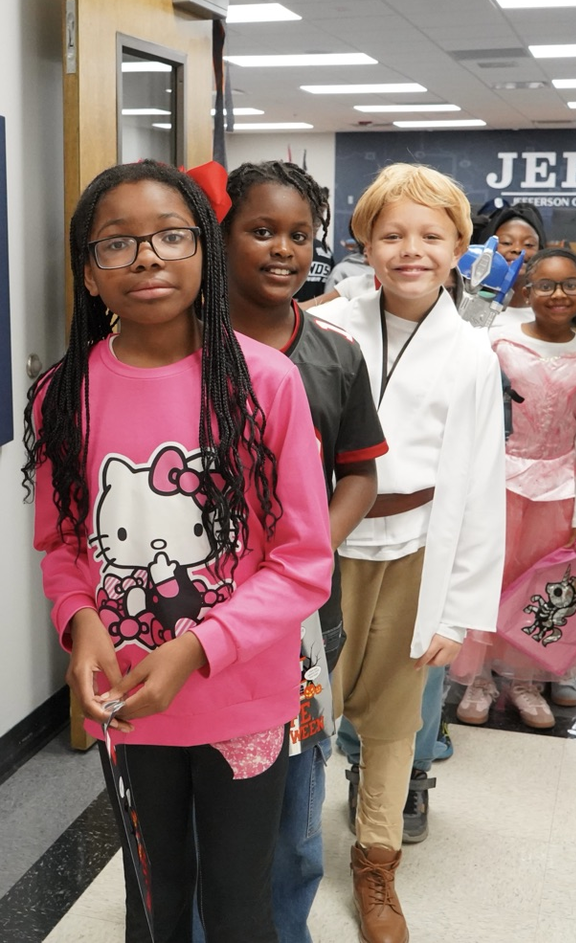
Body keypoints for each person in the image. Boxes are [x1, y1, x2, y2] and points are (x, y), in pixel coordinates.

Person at [22, 159, 334, 943]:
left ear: (205, 253)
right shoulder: (63, 393)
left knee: (237, 907)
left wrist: (198, 649)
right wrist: (79, 625)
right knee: (155, 901)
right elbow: (61, 543)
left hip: (240, 696)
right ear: (88, 273)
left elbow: (304, 561)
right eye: (117, 244)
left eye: (170, 236)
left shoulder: (265, 381)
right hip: (126, 699)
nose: (147, 258)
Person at [310, 162, 506, 943]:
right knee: (303, 712)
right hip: (321, 548)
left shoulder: (473, 353)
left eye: (431, 235)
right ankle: (281, 849)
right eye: (391, 234)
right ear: (365, 244)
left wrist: (458, 610)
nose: (411, 250)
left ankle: (376, 861)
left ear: (459, 247)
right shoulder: (323, 326)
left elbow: (482, 482)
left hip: (416, 550)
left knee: (393, 722)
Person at [219, 158, 388, 943]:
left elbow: (360, 475)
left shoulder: (334, 354)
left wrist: (307, 547)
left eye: (300, 234)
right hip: (196, 618)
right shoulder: (174, 347)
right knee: (198, 807)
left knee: (292, 814)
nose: (285, 249)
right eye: (261, 231)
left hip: (302, 628)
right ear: (218, 237)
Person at [453, 247, 576, 730]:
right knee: (489, 581)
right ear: (528, 290)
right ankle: (479, 678)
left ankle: (526, 682)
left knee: (539, 590)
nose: (558, 294)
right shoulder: (498, 341)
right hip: (497, 483)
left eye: (569, 284)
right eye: (546, 285)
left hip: (557, 492)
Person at [481, 204, 545, 326]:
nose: (517, 249)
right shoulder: (465, 305)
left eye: (529, 244)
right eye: (506, 242)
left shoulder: (549, 312)